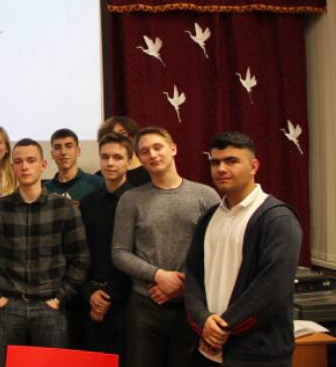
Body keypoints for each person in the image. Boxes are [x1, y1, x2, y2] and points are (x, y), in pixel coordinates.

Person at [184, 132, 302, 367]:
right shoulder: (208, 218)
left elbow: (273, 286)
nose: (221, 169)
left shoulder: (277, 218)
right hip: (207, 352)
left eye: (231, 161)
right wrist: (204, 320)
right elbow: (193, 276)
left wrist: (224, 326)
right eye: (215, 162)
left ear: (253, 166)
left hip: (258, 355)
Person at [0, 138, 89, 367]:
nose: (25, 166)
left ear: (43, 165)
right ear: (12, 167)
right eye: (19, 162)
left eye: (31, 160)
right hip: (9, 308)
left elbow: (81, 260)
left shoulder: (64, 208)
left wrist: (59, 298)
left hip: (49, 307)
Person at [111, 127, 219, 367]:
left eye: (157, 147)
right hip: (144, 307)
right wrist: (159, 276)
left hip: (192, 307)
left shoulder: (206, 196)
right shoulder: (131, 200)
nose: (152, 154)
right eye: (144, 151)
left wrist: (184, 286)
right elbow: (119, 253)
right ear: (139, 159)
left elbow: (217, 252)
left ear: (173, 149)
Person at [78, 133, 134, 360]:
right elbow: (79, 251)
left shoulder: (138, 200)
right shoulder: (88, 202)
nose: (110, 163)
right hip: (87, 297)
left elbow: (137, 254)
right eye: (105, 157)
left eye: (117, 157)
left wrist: (109, 296)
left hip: (125, 300)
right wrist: (89, 293)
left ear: (129, 161)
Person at [45, 128, 103, 202]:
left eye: (69, 146)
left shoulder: (98, 184)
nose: (63, 152)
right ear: (52, 154)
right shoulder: (44, 189)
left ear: (78, 151)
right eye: (57, 148)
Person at [96, 116, 151, 186]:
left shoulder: (150, 173)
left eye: (123, 133)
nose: (117, 138)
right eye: (111, 134)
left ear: (134, 137)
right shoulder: (98, 177)